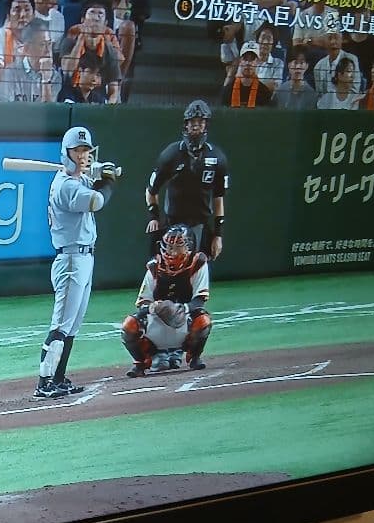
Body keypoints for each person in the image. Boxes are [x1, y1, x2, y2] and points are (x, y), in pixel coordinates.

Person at [33, 126, 118, 399]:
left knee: (72, 325)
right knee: (61, 324)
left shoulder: (76, 179)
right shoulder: (66, 185)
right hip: (70, 258)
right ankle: (44, 382)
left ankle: (59, 377)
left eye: (85, 150)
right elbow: (96, 200)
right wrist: (108, 181)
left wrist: (99, 173)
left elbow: (89, 182)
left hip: (84, 258)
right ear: (66, 153)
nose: (82, 155)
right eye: (77, 150)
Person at [121, 225, 212, 377]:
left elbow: (199, 299)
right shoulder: (154, 266)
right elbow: (143, 302)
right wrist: (155, 307)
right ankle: (141, 361)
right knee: (129, 325)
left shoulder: (198, 263)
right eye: (169, 247)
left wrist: (180, 309)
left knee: (203, 320)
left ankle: (194, 356)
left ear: (189, 247)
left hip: (183, 320)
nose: (173, 252)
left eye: (178, 247)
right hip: (157, 321)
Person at [145, 99, 229, 260]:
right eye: (192, 122)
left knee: (199, 270)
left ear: (206, 125)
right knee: (167, 268)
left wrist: (218, 235)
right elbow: (151, 190)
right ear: (186, 124)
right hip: (172, 224)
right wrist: (154, 217)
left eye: (200, 122)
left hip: (200, 225)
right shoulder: (171, 154)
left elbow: (219, 199)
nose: (196, 127)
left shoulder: (217, 157)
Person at [0, 19, 61, 103]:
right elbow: (3, 108)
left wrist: (46, 80)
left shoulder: (55, 77)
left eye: (49, 44)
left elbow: (48, 110)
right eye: (42, 44)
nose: (48, 50)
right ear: (26, 48)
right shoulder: (10, 73)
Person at [220, 41, 274, 108]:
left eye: (252, 59)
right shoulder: (228, 90)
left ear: (258, 62)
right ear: (240, 61)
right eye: (245, 59)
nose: (248, 63)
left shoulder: (264, 92)